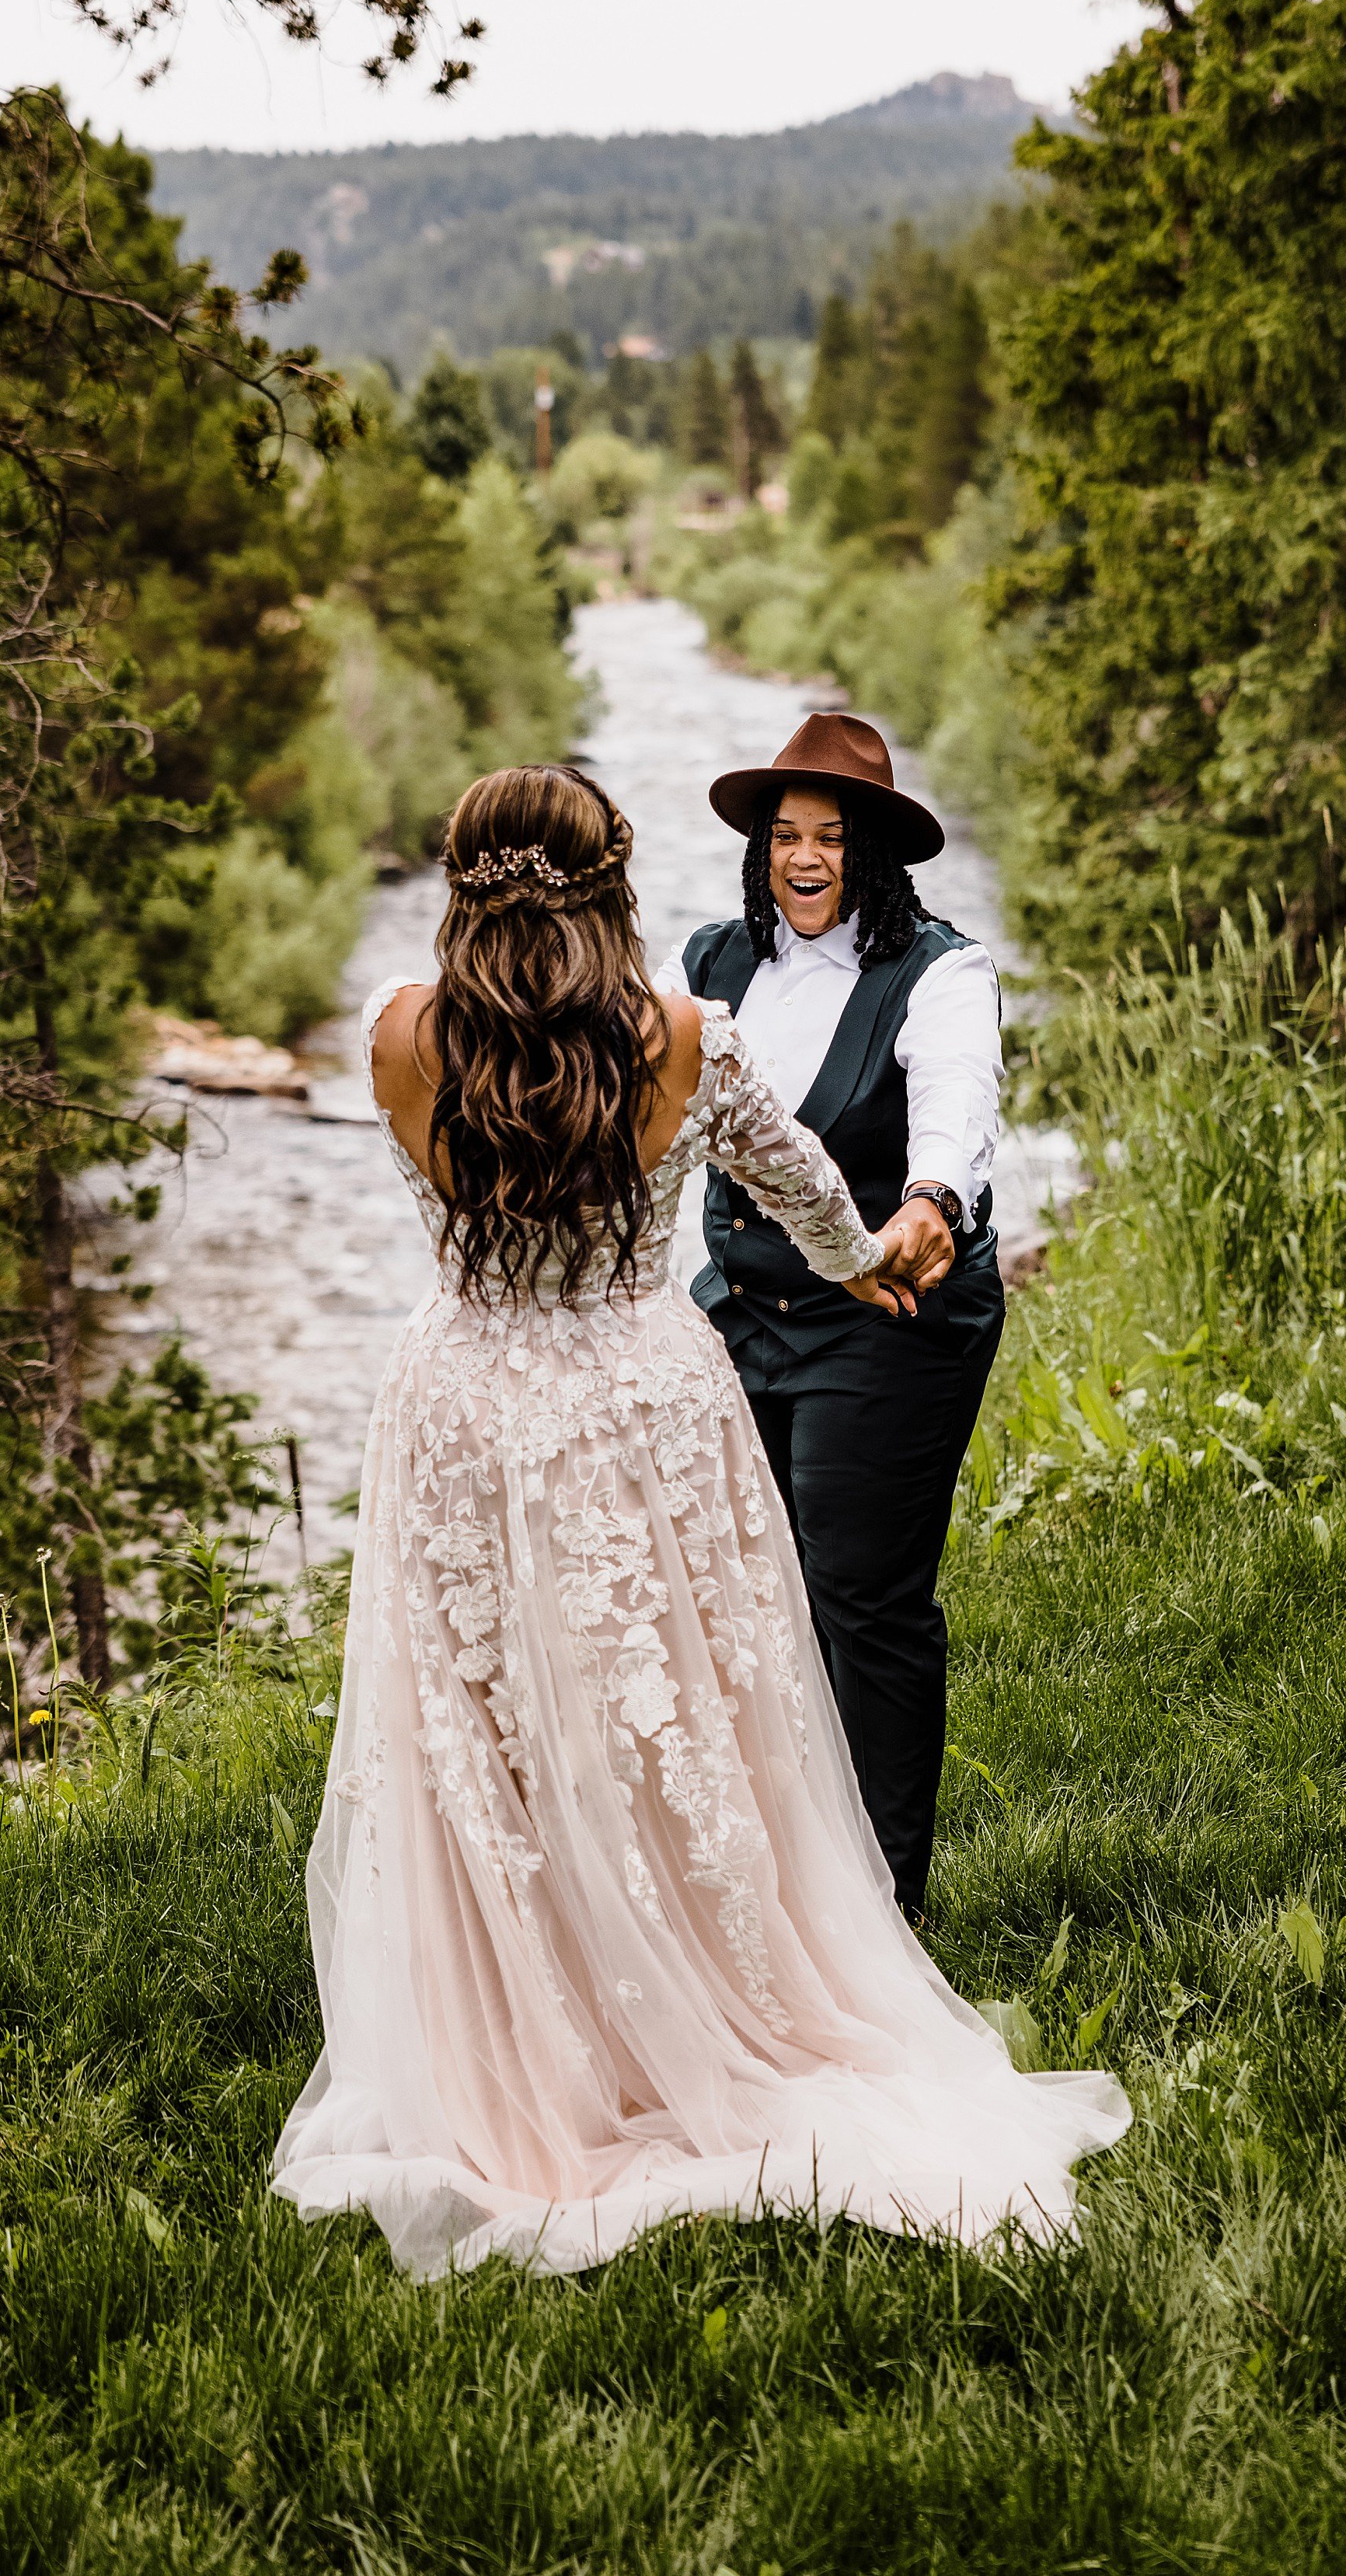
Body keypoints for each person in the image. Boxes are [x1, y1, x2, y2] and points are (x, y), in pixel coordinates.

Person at [272, 761, 1125, 2278]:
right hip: (636, 1403)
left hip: (465, 1403)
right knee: (675, 1724)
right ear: (616, 882)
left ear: (459, 887)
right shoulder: (684, 1036)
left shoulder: (401, 1034)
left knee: (486, 1734)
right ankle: (681, 2008)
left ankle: (521, 2053)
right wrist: (865, 1258)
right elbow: (798, 1188)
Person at [661, 711, 1006, 1923]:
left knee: (863, 1596)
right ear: (759, 853)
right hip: (739, 1314)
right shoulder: (708, 965)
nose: (806, 859)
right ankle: (775, 1879)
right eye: (785, 837)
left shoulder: (943, 972)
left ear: (878, 858)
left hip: (890, 1314)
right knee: (746, 1595)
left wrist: (933, 1198)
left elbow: (955, 1103)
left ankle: (885, 1910)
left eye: (832, 839)